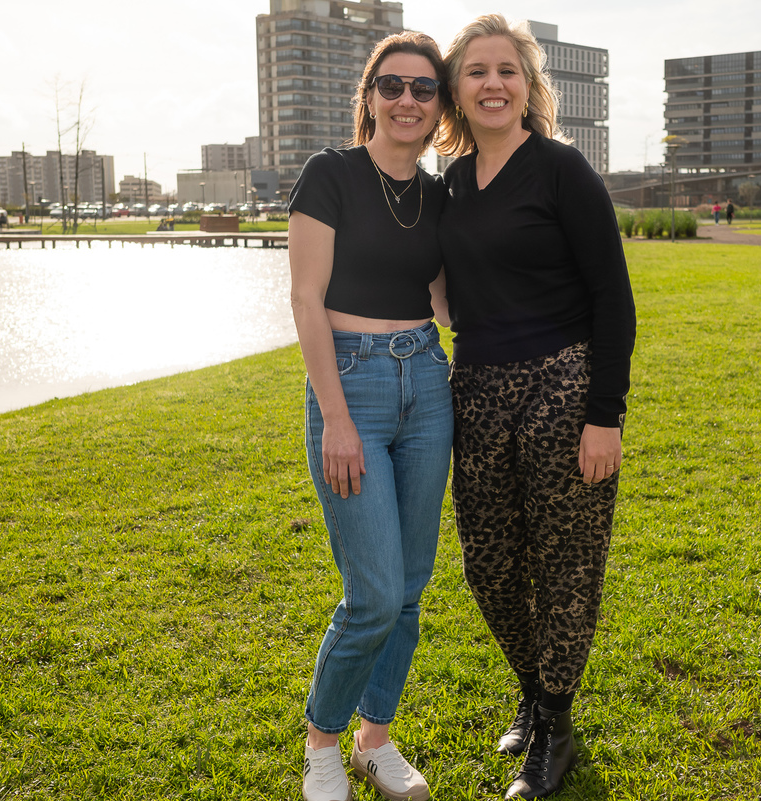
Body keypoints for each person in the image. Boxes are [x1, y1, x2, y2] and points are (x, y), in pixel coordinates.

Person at [437, 15, 636, 800]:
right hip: (478, 386)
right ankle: (534, 685)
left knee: (566, 565)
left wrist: (605, 412)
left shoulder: (562, 170)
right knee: (489, 564)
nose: (492, 83)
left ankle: (553, 723)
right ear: (458, 90)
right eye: (476, 71)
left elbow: (612, 297)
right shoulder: (447, 183)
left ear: (528, 86)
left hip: (563, 382)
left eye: (507, 71)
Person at [288, 31, 452, 801]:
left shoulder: (440, 193)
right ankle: (323, 742)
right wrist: (337, 417)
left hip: (427, 377)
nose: (407, 100)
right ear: (370, 95)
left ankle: (373, 740)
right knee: (375, 592)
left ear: (438, 104)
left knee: (412, 586)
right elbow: (305, 300)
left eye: (423, 88)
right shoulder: (330, 175)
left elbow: (448, 300)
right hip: (351, 385)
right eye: (393, 85)